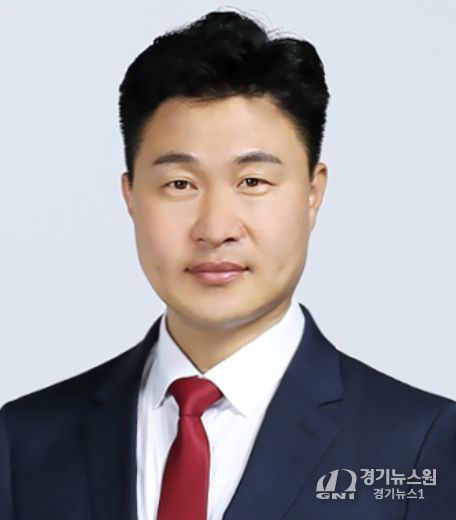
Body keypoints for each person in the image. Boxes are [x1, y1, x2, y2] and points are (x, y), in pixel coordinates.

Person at [0, 9, 455, 520]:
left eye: (253, 182)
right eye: (180, 184)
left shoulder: (421, 444)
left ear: (313, 193)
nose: (216, 228)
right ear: (130, 197)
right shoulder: (24, 442)